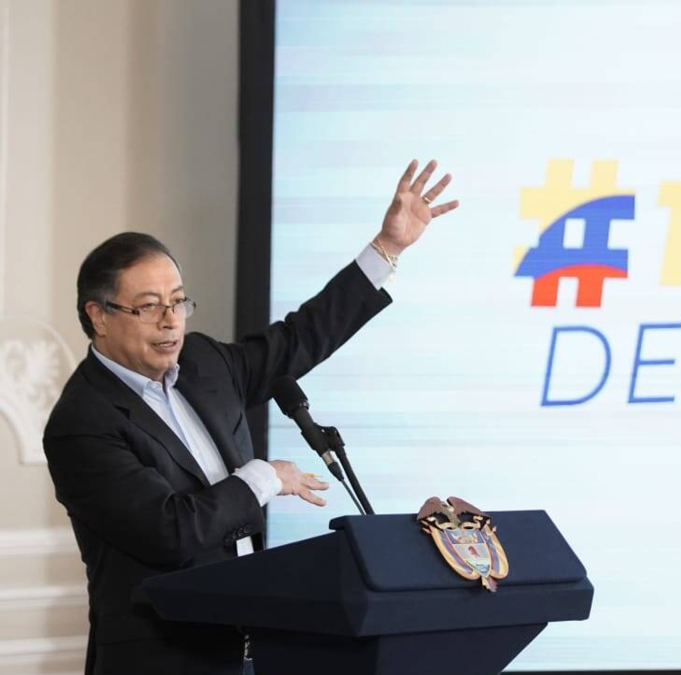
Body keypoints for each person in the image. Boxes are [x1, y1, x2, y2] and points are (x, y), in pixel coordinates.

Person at [43, 160, 458, 675]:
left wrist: (386, 248)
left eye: (178, 302)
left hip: (251, 647)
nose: (171, 321)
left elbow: (299, 338)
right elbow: (169, 532)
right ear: (98, 316)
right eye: (148, 306)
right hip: (163, 661)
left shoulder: (204, 362)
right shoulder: (82, 422)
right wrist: (264, 478)